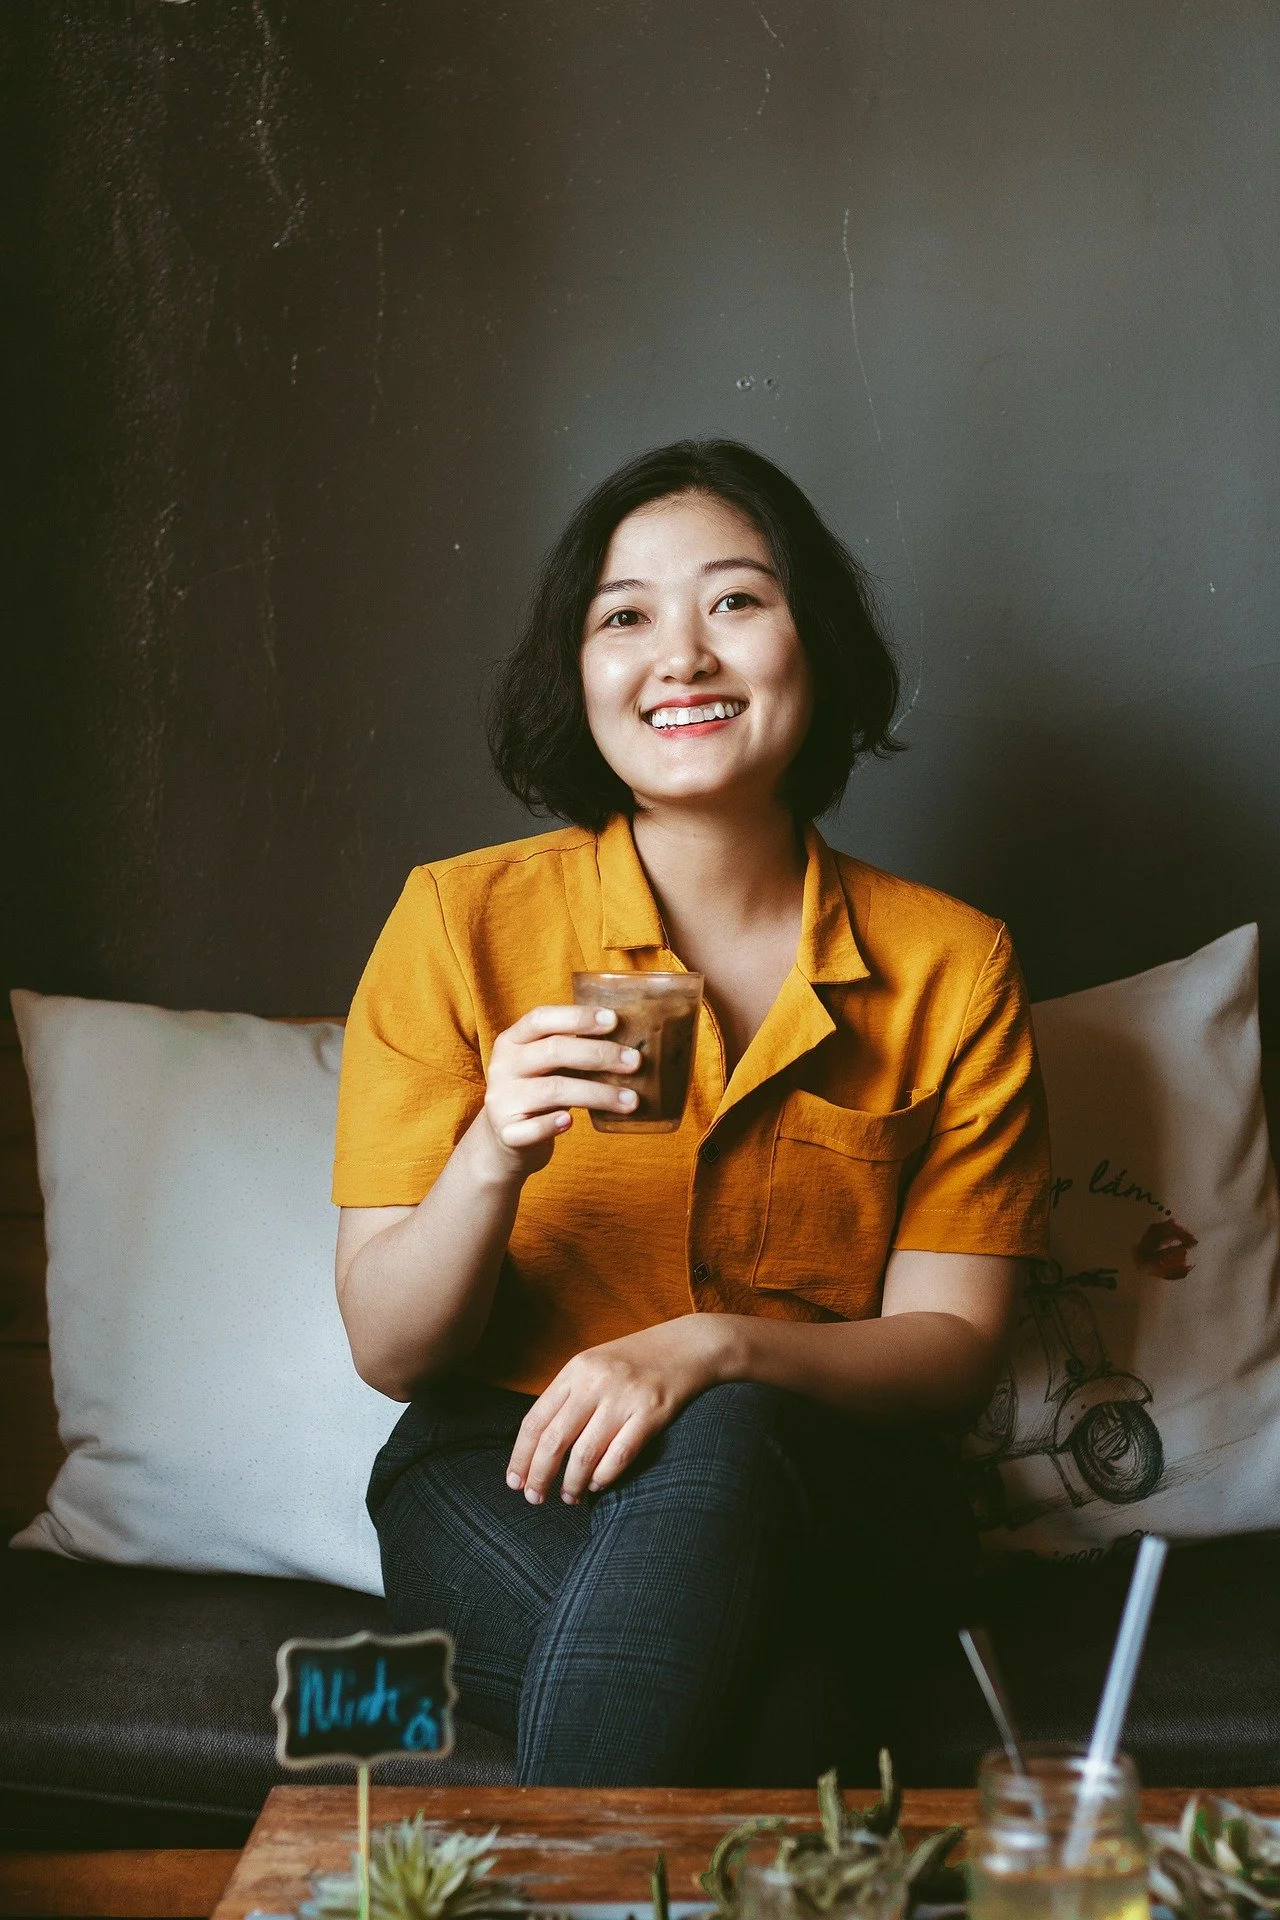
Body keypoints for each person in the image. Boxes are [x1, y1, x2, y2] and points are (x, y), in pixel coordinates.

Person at [331, 439, 1050, 1788]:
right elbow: (390, 1345)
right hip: (505, 1467)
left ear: (812, 643)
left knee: (726, 1430)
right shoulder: (459, 922)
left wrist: (713, 1353)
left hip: (818, 1476)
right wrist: (493, 1154)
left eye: (735, 600)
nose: (682, 656)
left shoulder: (953, 965)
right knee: (777, 1720)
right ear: (577, 674)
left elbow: (954, 1348)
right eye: (625, 617)